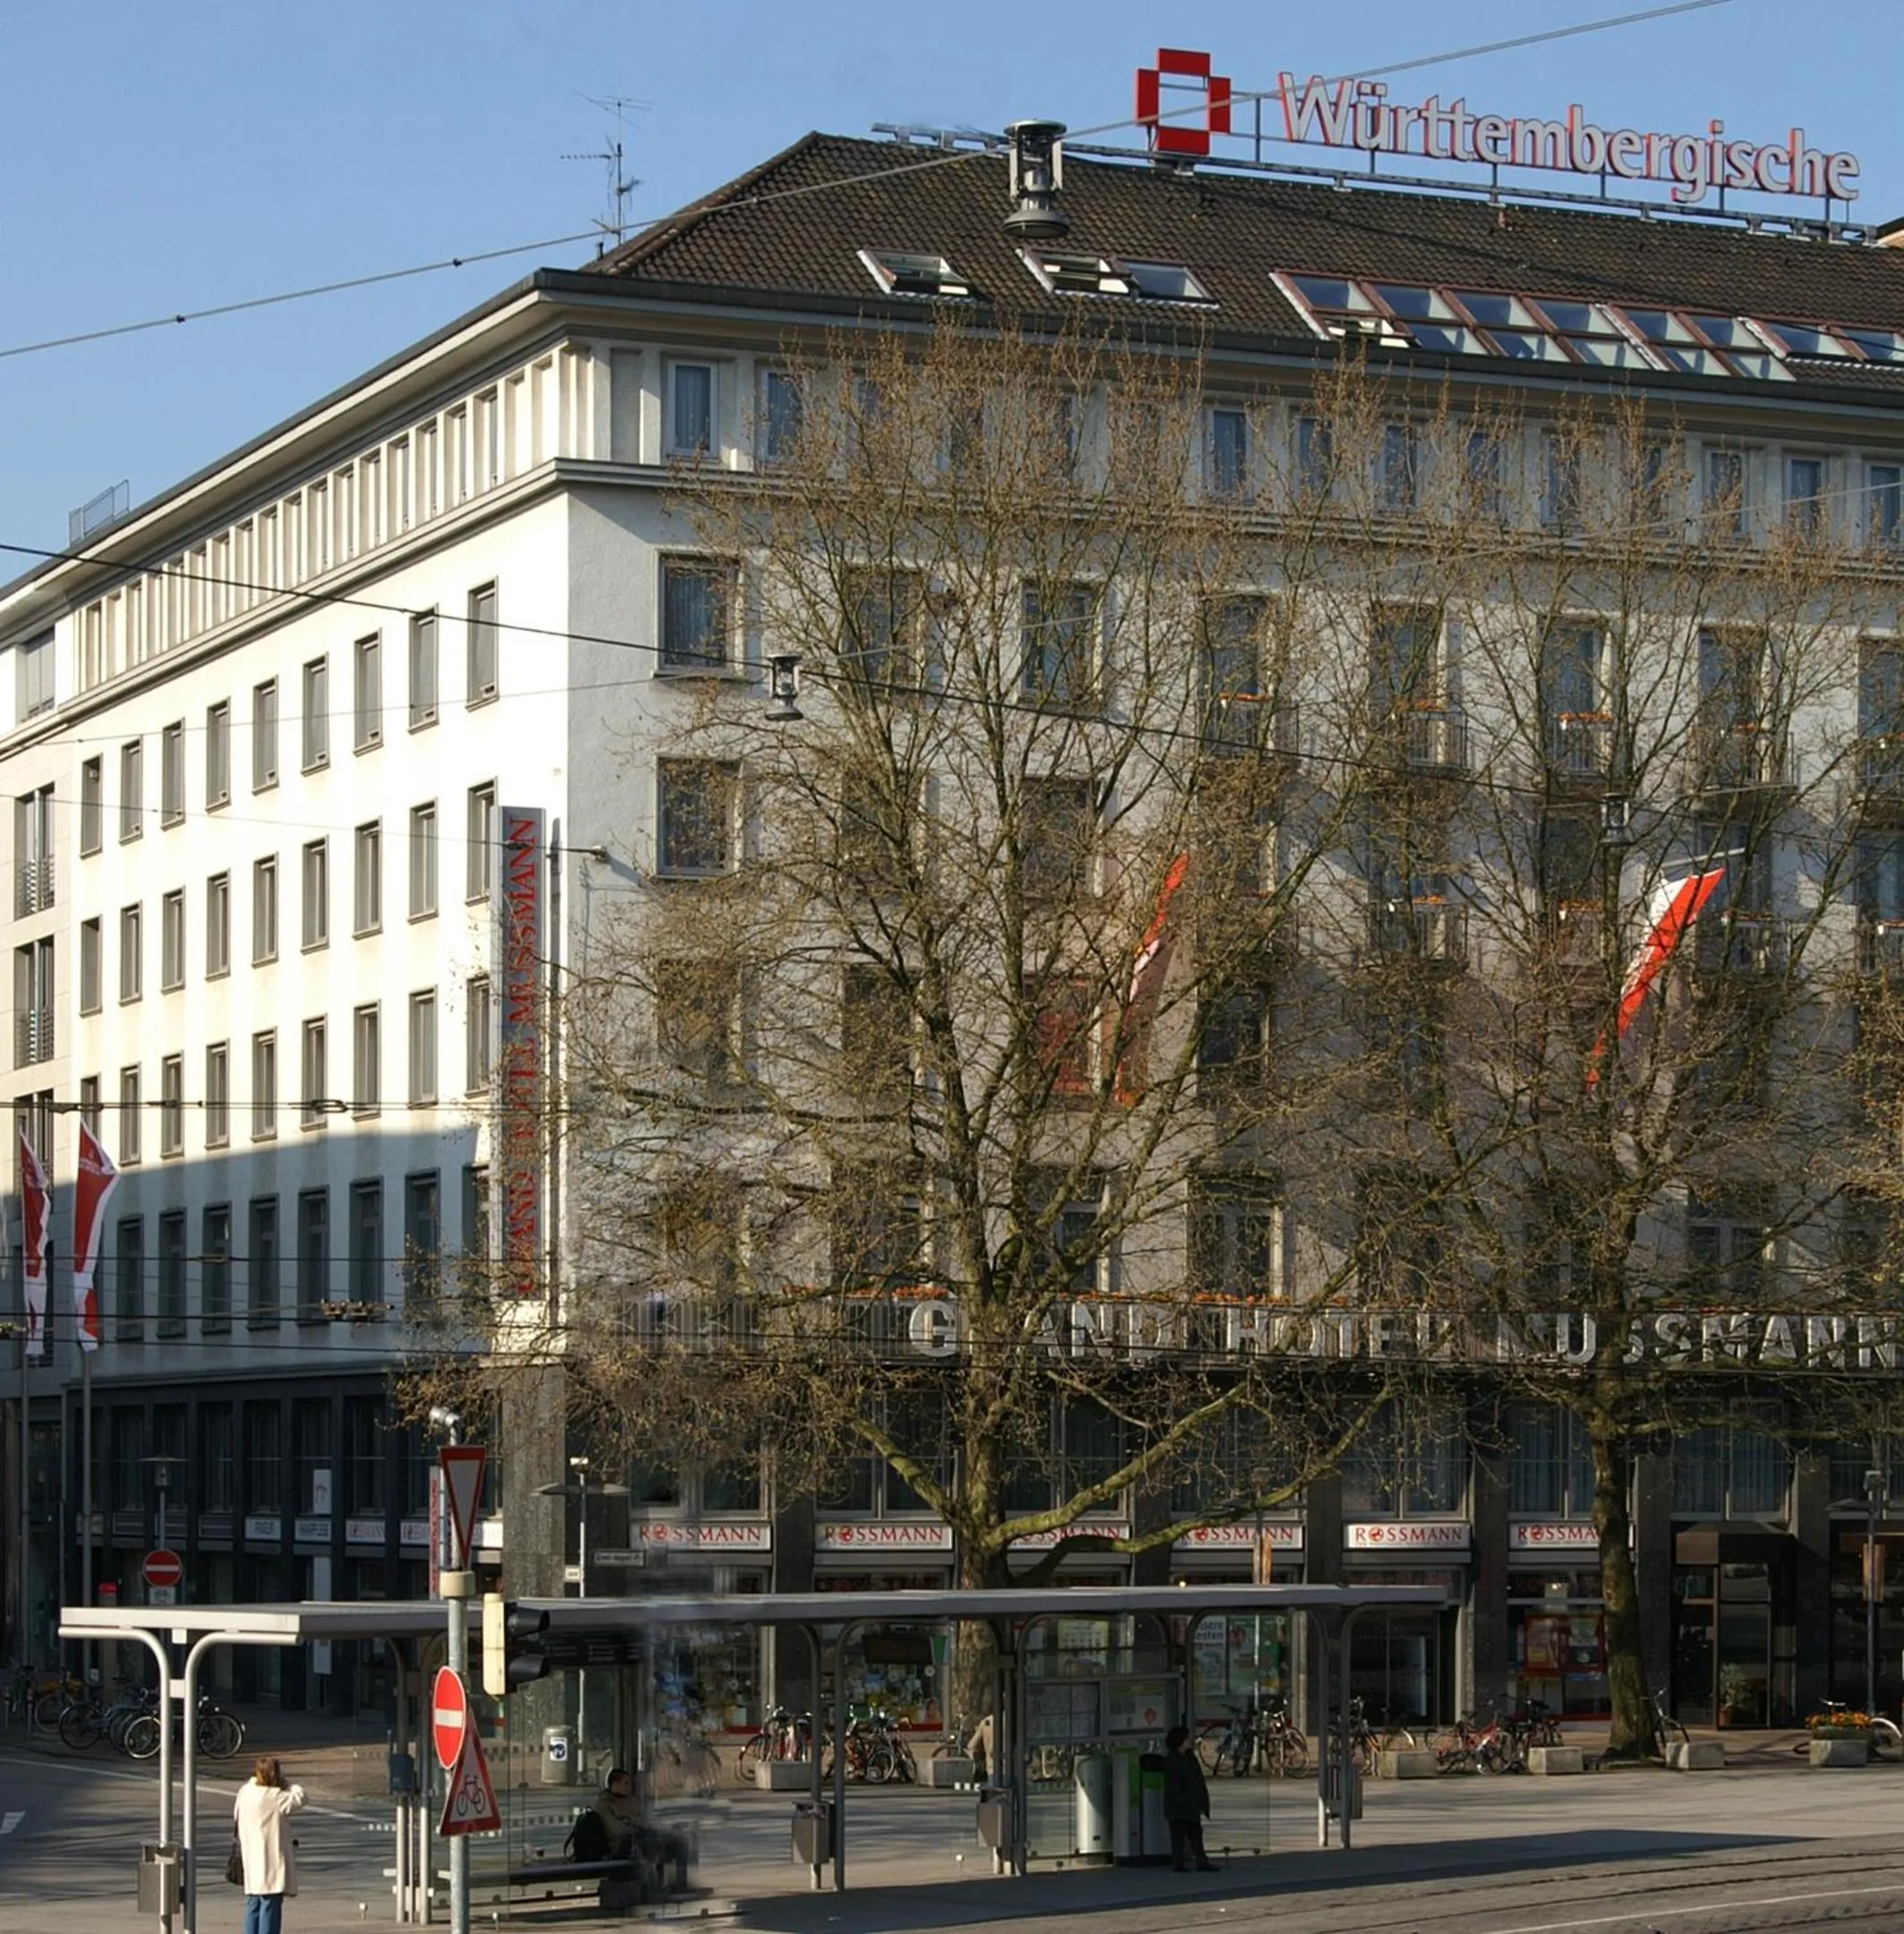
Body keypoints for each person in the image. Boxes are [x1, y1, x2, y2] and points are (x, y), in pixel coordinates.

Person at [233, 1755, 307, 1934]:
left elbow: (236, 1815)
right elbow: (301, 1798)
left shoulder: (245, 1792)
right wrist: (288, 1784)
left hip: (251, 1856)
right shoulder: (276, 1797)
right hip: (271, 1859)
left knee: (253, 1903)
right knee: (270, 1904)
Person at [1161, 1725, 1219, 1872]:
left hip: (1191, 1803)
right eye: (1187, 1738)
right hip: (1179, 1804)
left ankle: (1201, 1860)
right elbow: (1172, 1784)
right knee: (1178, 1836)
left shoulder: (1189, 1757)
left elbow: (1197, 1779)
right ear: (1180, 1741)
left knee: (1195, 1833)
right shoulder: (1172, 1760)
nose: (1190, 1741)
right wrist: (1180, 1798)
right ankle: (1178, 1862)